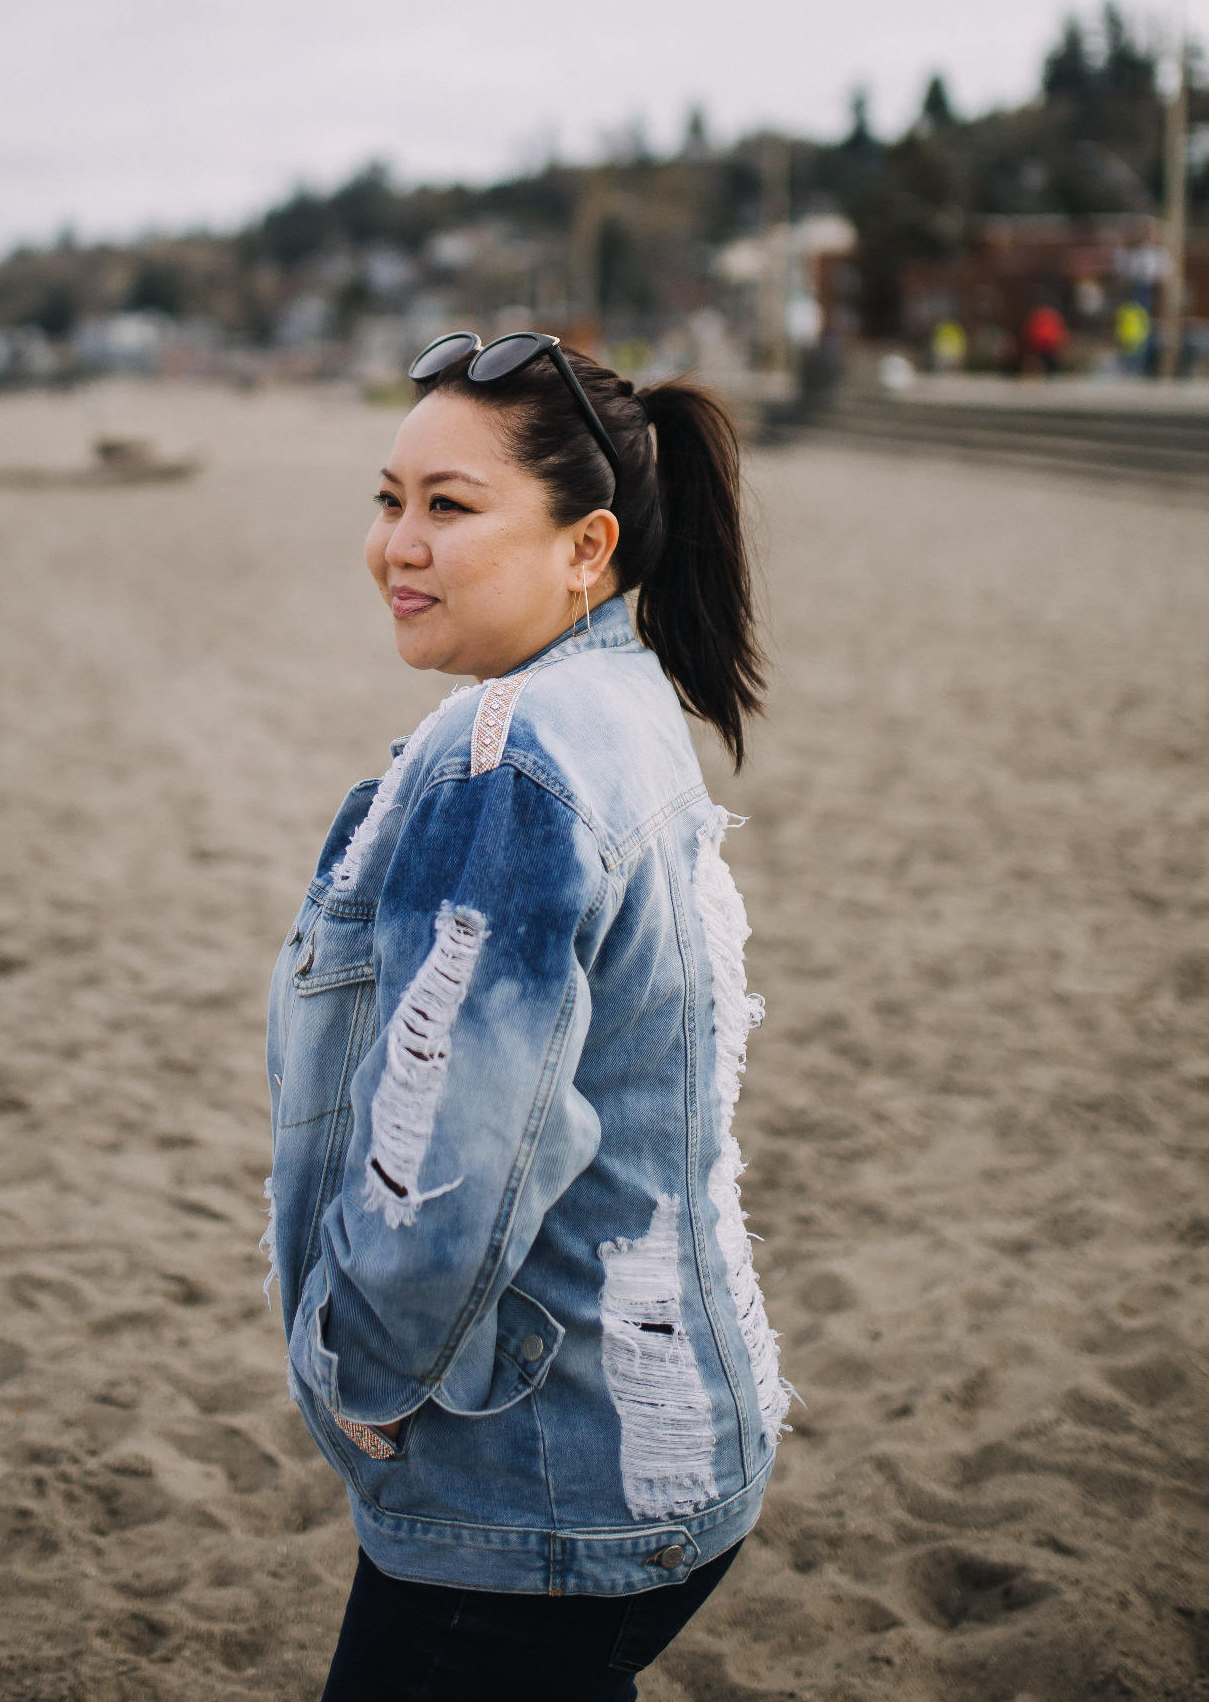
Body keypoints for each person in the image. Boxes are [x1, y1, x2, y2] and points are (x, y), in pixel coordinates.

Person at [265, 331, 788, 1702]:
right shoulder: (623, 700)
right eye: (389, 500)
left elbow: (448, 1163)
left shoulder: (509, 759)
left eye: (450, 505)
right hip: (675, 1443)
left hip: (537, 1483)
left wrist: (360, 1374)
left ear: (584, 546)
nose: (399, 545)